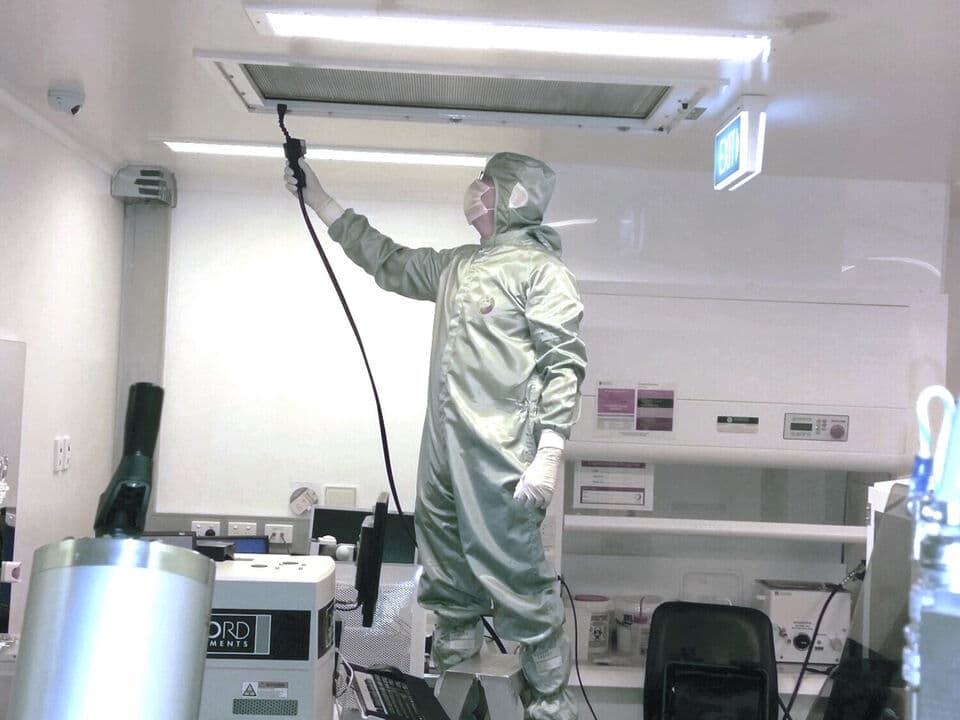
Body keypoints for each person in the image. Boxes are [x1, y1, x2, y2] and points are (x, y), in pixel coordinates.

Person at [285, 152, 587, 720]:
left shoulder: (541, 272)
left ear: (505, 194)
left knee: (521, 585)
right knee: (449, 589)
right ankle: (457, 704)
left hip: (501, 461)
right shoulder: (457, 266)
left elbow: (563, 363)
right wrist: (321, 201)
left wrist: (549, 452)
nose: (473, 188)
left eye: (483, 180)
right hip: (443, 458)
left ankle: (551, 707)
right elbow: (391, 261)